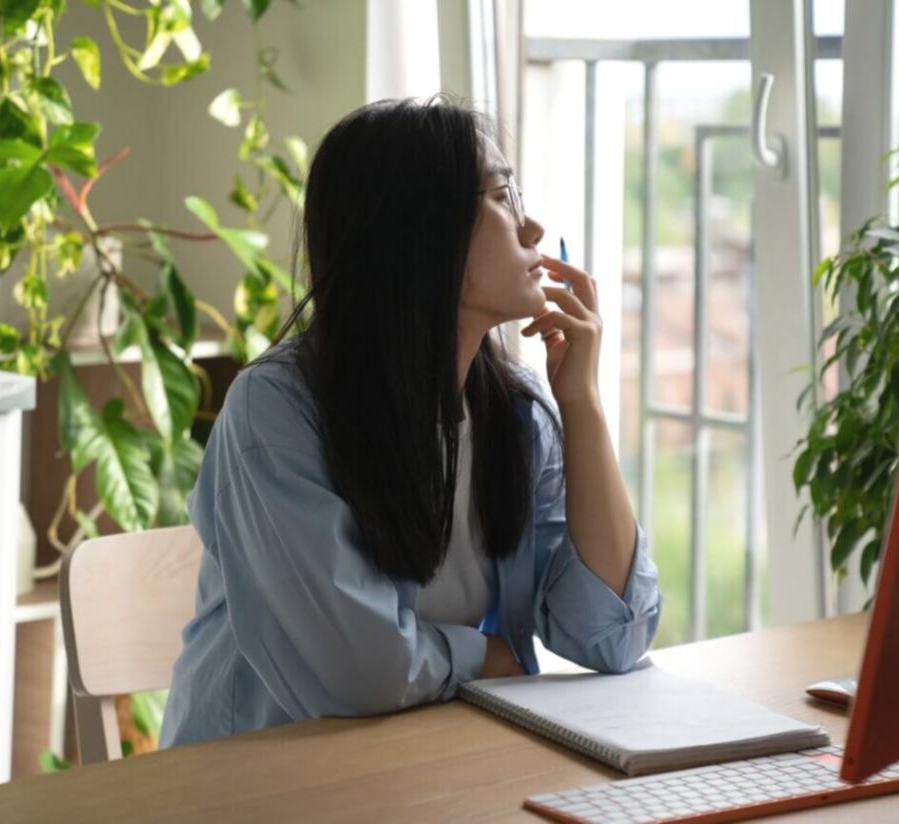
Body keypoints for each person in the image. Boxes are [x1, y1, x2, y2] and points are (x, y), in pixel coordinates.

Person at [159, 96, 662, 748]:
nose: (532, 227)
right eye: (502, 196)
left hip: (428, 759)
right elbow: (359, 671)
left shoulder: (516, 415)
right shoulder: (277, 411)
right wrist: (482, 656)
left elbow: (612, 636)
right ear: (420, 230)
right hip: (260, 777)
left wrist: (583, 404)